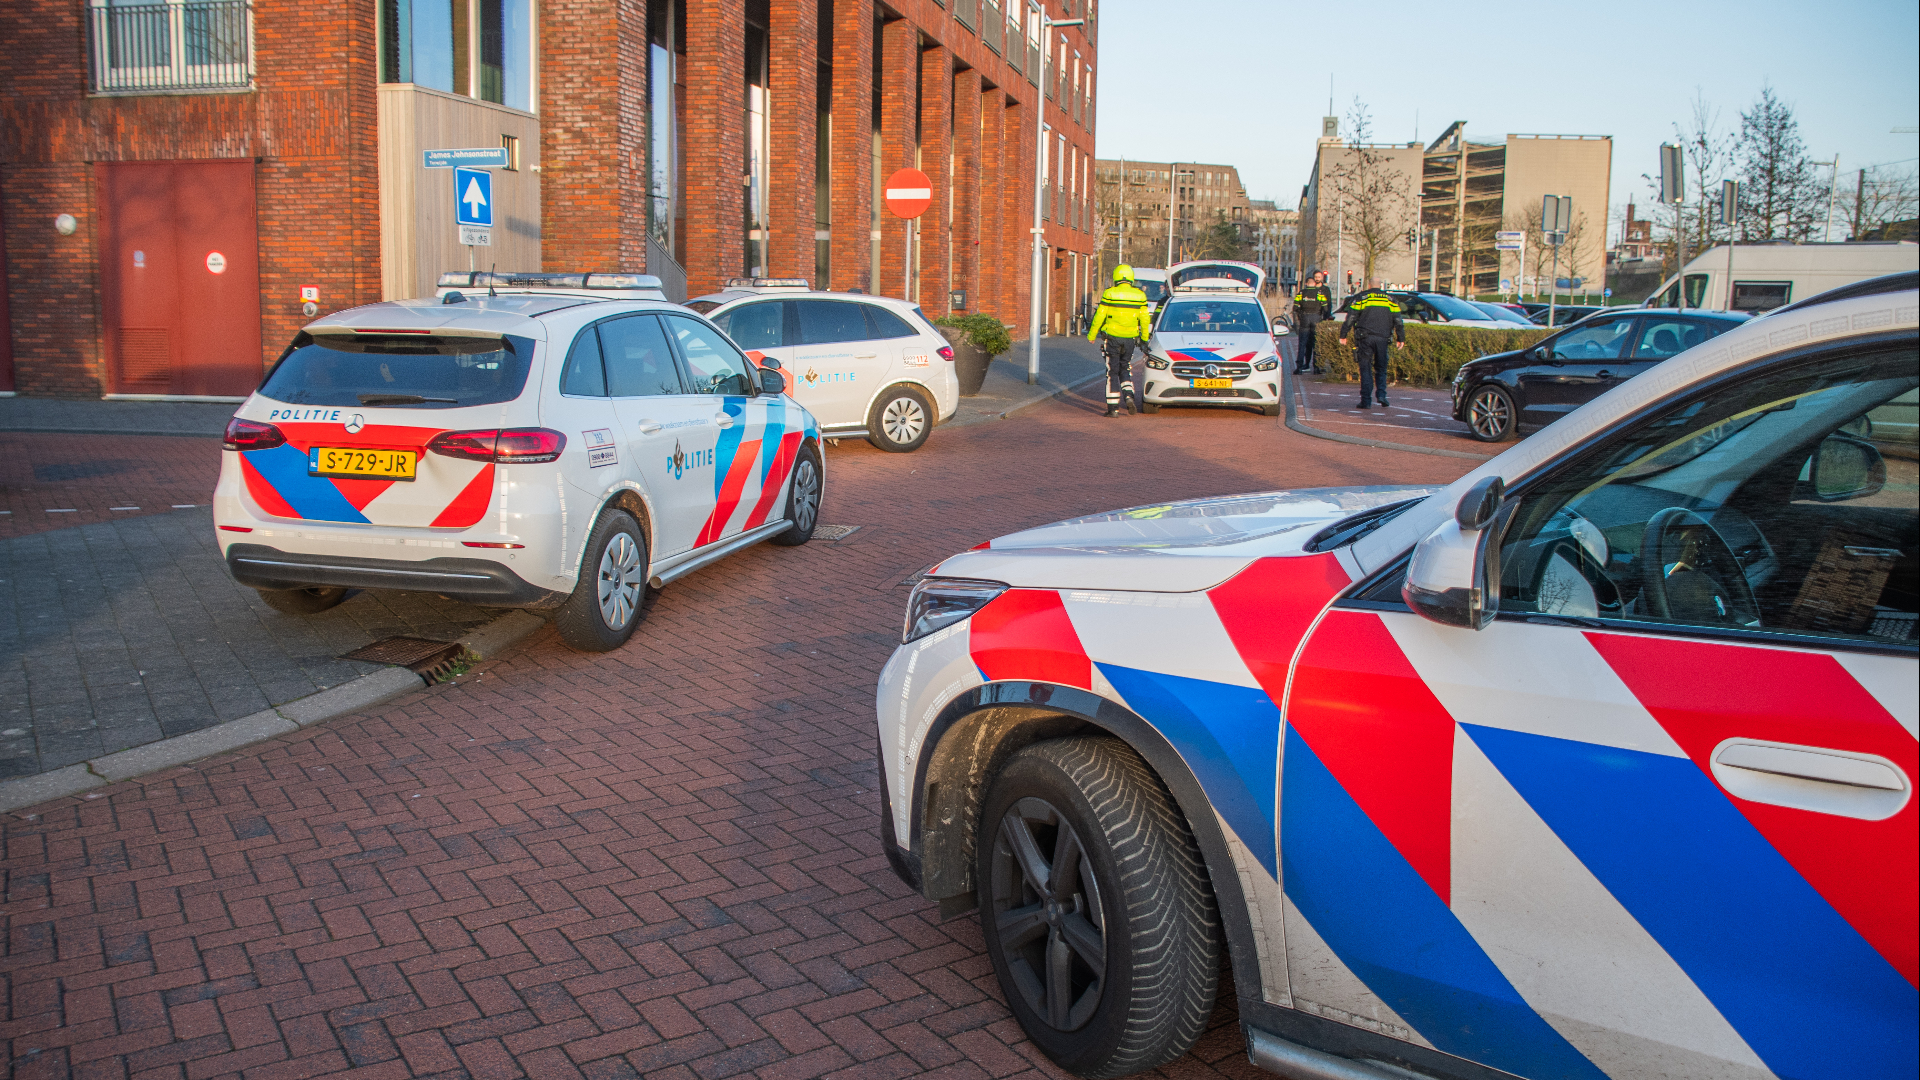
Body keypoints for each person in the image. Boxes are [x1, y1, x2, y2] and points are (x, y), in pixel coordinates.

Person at [1087, 264, 1153, 416]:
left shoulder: (1110, 293)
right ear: (1131, 278)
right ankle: (1129, 395)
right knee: (1125, 368)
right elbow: (1144, 319)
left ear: (1116, 277)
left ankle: (1113, 409)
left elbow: (1099, 316)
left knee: (1112, 371)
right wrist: (1143, 339)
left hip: (1112, 338)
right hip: (1129, 339)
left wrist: (1092, 335)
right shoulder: (1140, 296)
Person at [1338, 278, 1405, 409]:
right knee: (1381, 368)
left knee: (1365, 368)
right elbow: (1398, 320)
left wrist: (1343, 334)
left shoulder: (1362, 298)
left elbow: (1351, 317)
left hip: (1365, 338)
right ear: (1380, 286)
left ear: (1368, 285)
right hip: (1383, 338)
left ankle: (1366, 400)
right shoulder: (1390, 299)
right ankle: (1381, 395)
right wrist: (1400, 338)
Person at [1291, 270, 1333, 374]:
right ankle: (1316, 368)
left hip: (1304, 319)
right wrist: (1322, 316)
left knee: (1302, 344)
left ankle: (1299, 367)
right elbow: (1326, 308)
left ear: (1306, 284)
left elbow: (1295, 308)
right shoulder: (1319, 294)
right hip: (1316, 319)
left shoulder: (1301, 293)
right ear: (1314, 283)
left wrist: (1299, 318)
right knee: (1316, 344)